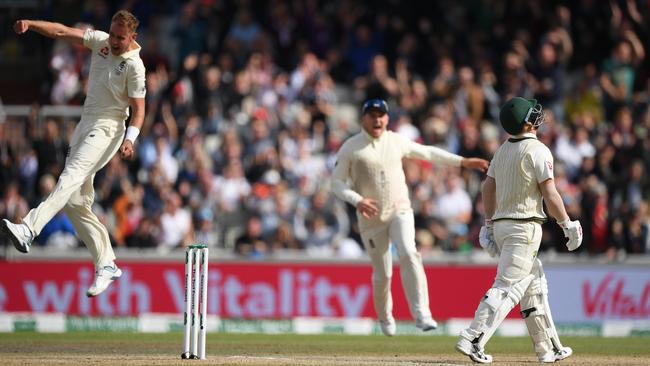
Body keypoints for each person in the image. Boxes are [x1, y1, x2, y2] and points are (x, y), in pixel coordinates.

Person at [2, 10, 146, 297]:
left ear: (132, 37)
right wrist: (31, 24)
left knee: (70, 175)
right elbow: (61, 31)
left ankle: (29, 228)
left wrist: (130, 139)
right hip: (85, 125)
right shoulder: (101, 41)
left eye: (121, 37)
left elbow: (139, 110)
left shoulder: (135, 67)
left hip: (109, 128)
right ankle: (106, 263)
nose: (115, 42)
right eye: (113, 34)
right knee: (75, 202)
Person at [331, 99, 489, 336]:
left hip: (399, 209)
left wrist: (463, 162)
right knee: (383, 273)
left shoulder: (396, 140)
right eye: (372, 115)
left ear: (387, 118)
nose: (377, 120)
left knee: (408, 251)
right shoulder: (351, 147)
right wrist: (358, 200)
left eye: (381, 115)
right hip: (371, 218)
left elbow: (427, 153)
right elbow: (336, 183)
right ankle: (385, 317)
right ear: (364, 118)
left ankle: (422, 313)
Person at [455, 97, 582, 363]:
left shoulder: (502, 150)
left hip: (504, 225)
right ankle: (472, 338)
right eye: (532, 113)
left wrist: (489, 225)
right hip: (524, 227)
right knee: (507, 286)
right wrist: (566, 223)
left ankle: (548, 348)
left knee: (534, 285)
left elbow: (486, 187)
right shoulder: (538, 150)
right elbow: (550, 192)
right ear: (527, 122)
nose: (538, 114)